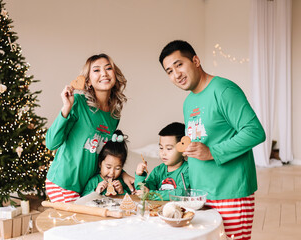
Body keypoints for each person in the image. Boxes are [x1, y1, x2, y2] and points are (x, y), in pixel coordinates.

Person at [159, 40, 266, 240]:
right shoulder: (188, 102)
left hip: (230, 192)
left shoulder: (224, 90)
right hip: (200, 195)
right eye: (169, 71)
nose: (176, 74)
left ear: (196, 60)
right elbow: (200, 139)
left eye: (179, 65)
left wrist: (212, 152)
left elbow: (255, 131)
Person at [45, 54, 134, 203]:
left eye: (108, 68)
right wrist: (66, 107)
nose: (104, 73)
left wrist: (122, 174)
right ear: (88, 81)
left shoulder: (114, 116)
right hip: (64, 183)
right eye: (97, 70)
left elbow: (103, 155)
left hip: (87, 186)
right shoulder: (78, 103)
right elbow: (51, 143)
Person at [134, 122, 190, 201]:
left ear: (184, 150)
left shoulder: (187, 170)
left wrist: (150, 194)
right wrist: (139, 176)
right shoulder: (158, 171)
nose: (163, 153)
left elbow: (180, 194)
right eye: (161, 148)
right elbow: (144, 190)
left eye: (169, 148)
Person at [82, 130, 132, 196]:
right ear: (100, 163)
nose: (112, 173)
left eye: (117, 168)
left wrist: (121, 192)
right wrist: (96, 192)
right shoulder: (93, 182)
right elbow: (83, 199)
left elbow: (130, 200)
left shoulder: (122, 182)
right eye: (108, 167)